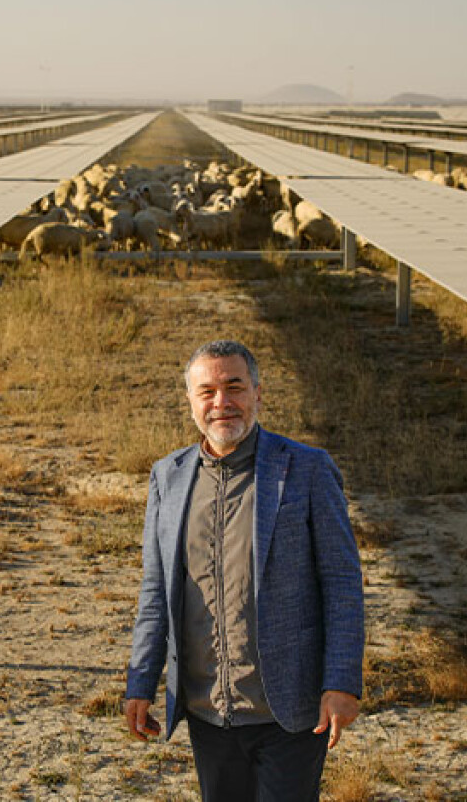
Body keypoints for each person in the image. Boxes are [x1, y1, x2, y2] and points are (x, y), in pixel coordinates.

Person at [124, 339, 365, 801]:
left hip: (290, 711)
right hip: (207, 712)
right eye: (207, 391)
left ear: (257, 392)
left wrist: (341, 682)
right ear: (190, 400)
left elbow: (342, 585)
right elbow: (156, 590)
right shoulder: (168, 477)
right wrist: (141, 682)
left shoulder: (308, 469)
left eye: (234, 387)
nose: (222, 402)